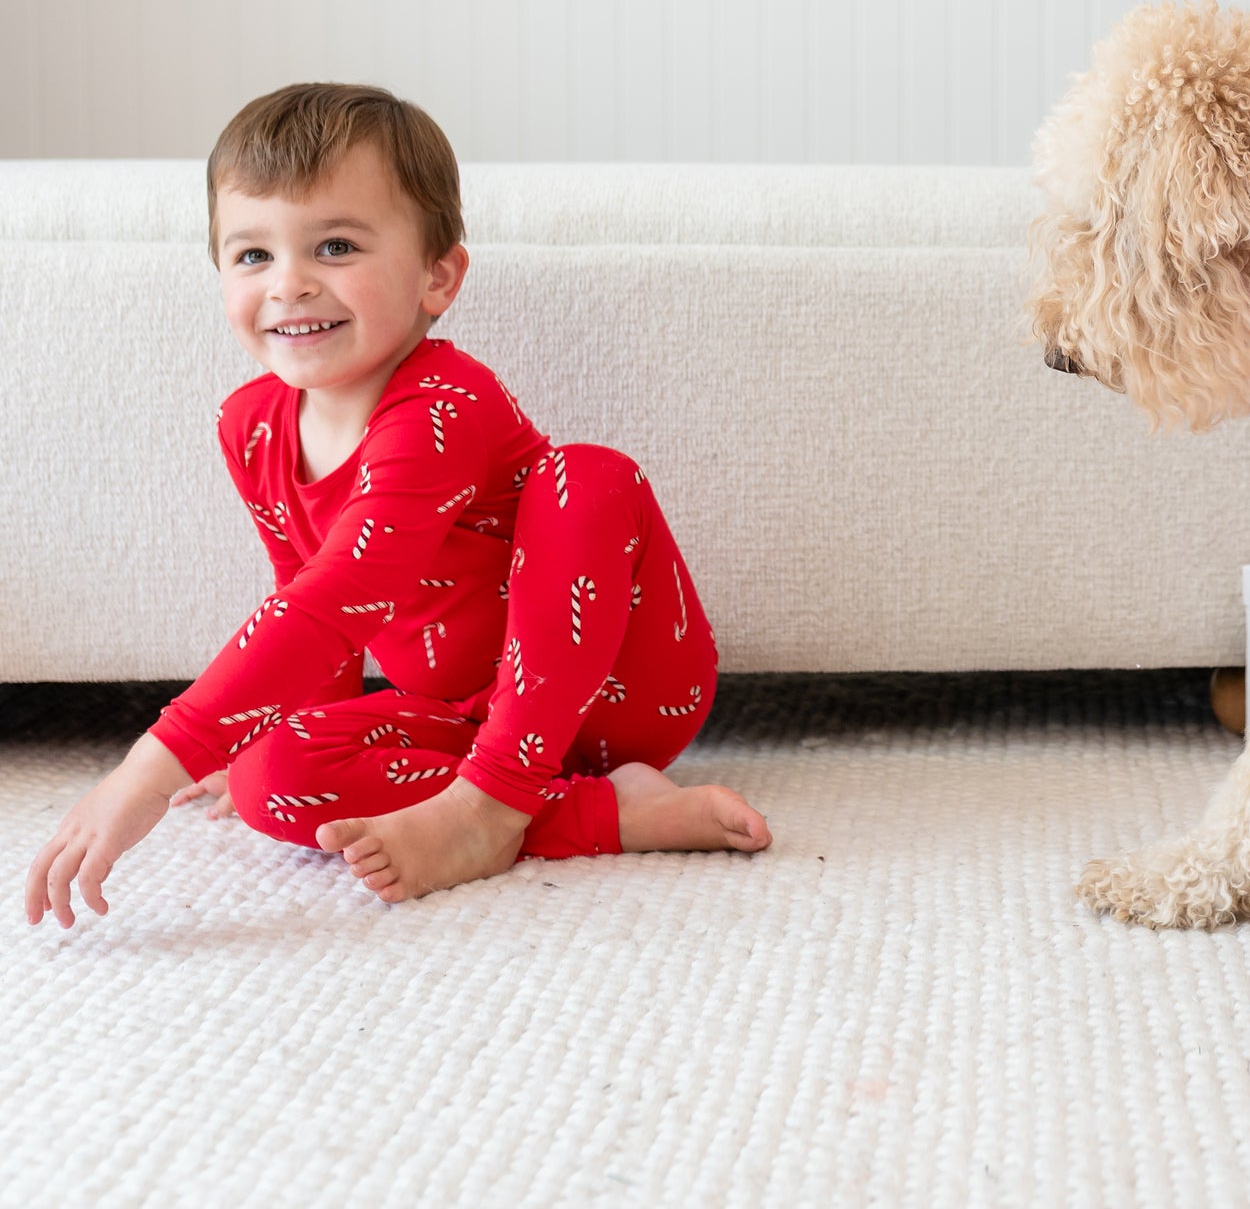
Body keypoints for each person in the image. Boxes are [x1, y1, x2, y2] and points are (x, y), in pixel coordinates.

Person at [25, 83, 771, 929]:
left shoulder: (445, 404)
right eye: (252, 255)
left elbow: (340, 594)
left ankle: (494, 806)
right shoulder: (251, 426)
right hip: (457, 717)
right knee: (268, 774)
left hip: (616, 691)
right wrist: (255, 743)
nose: (290, 284)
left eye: (334, 246)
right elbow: (301, 602)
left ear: (436, 275)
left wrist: (145, 770)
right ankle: (599, 811)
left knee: (589, 475)